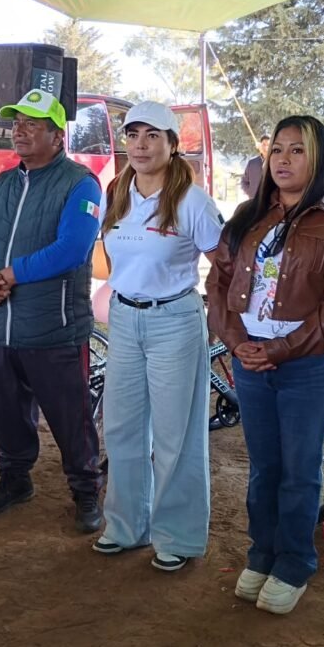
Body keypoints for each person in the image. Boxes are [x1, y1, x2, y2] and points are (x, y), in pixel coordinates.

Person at [206, 115, 324, 612]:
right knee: (264, 467)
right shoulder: (248, 216)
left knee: (299, 469)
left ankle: (294, 563)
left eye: (297, 150)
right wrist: (237, 342)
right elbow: (218, 283)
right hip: (251, 360)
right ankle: (262, 553)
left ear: (318, 159)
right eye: (277, 149)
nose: (283, 159)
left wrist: (278, 350)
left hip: (308, 364)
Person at [0, 89, 104, 531]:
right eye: (17, 123)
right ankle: (14, 479)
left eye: (33, 124)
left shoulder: (80, 183)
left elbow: (72, 248)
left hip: (54, 329)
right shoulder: (2, 184)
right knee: (6, 414)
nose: (20, 131)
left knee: (71, 418)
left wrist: (8, 275)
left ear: (58, 136)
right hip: (1, 328)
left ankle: (86, 490)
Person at [93, 101, 224, 570]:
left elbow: (226, 264)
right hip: (125, 319)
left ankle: (178, 538)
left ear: (172, 144)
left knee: (175, 434)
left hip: (174, 320)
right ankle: (126, 526)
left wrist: (222, 317)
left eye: (153, 135)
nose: (141, 145)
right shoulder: (118, 192)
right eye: (133, 135)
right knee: (122, 427)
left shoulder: (192, 201)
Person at [240, 134, 269, 199]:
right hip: (254, 201)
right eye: (264, 144)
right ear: (260, 146)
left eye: (268, 145)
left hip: (271, 202)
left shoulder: (275, 163)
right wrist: (250, 192)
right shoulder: (252, 163)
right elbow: (244, 181)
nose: (266, 148)